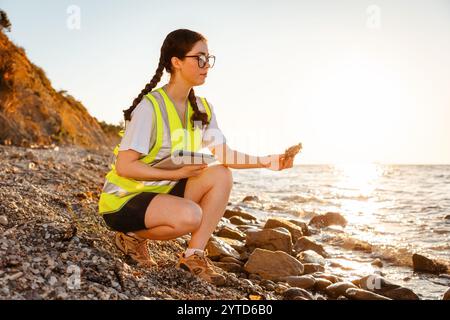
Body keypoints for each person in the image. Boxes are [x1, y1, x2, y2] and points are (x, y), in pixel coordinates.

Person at [98, 29, 296, 286]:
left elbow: (225, 155)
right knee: (190, 216)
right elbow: (124, 166)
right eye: (199, 59)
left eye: (208, 59)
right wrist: (174, 174)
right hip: (124, 200)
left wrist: (268, 161)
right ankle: (131, 236)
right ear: (176, 62)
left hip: (162, 193)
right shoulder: (150, 107)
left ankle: (193, 255)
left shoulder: (202, 108)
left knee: (221, 173)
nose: (206, 66)